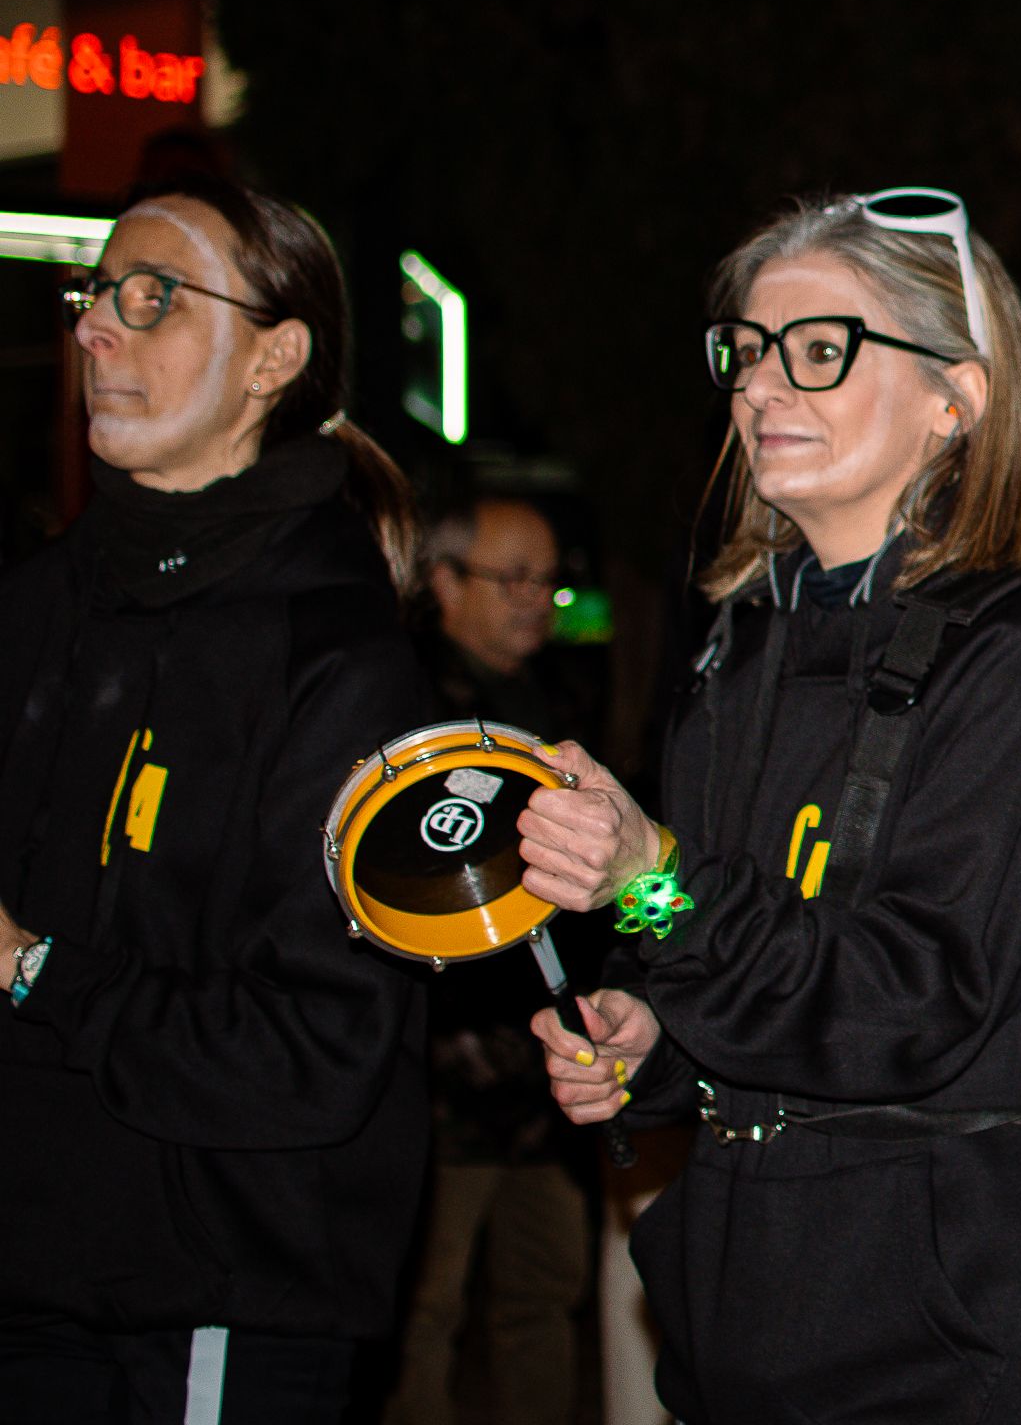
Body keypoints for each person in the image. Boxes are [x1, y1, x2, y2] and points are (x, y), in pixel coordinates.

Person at [518, 191, 1021, 1424]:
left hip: (956, 1331)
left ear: (955, 394)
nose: (764, 387)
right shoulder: (741, 643)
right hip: (749, 1318)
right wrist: (649, 1040)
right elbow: (739, 956)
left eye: (822, 349)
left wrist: (651, 876)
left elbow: (906, 1003)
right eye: (748, 353)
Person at [0, 175, 434, 1421]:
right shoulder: (35, 609)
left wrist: (37, 968)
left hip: (212, 1302)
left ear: (272, 358)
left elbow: (317, 1050)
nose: (96, 328)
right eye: (96, 294)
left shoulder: (337, 659)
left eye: (155, 297)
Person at [386, 495, 598, 1425]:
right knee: (422, 1309)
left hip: (546, 1074)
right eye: (510, 578)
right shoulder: (406, 708)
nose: (533, 601)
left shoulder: (552, 701)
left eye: (546, 582)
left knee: (544, 1292)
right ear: (443, 582)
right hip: (444, 1082)